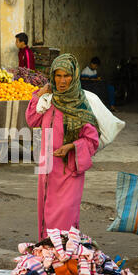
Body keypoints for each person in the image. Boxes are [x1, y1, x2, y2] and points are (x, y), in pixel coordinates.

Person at [26, 53, 100, 241]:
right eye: (58, 76)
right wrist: (39, 94)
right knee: (47, 214)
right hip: (47, 169)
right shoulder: (49, 101)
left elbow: (92, 141)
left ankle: (66, 257)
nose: (62, 81)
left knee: (65, 217)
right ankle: (49, 256)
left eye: (66, 76)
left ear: (74, 77)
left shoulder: (80, 105)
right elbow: (32, 120)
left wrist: (70, 147)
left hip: (69, 170)